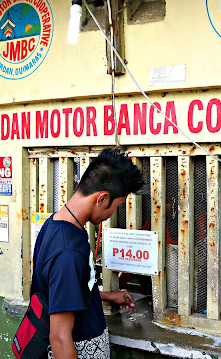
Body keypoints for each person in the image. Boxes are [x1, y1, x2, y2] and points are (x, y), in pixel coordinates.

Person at [32, 148, 144, 358]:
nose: (113, 214)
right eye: (117, 206)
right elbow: (60, 338)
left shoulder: (56, 223)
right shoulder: (68, 251)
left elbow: (62, 292)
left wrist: (106, 296)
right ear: (102, 198)